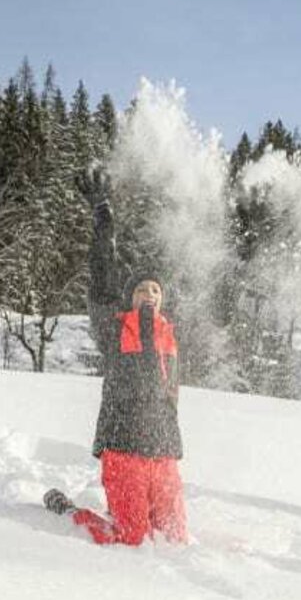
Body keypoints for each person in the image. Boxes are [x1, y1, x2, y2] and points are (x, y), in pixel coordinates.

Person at [44, 166, 187, 546]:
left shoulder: (170, 334)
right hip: (123, 449)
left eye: (155, 290)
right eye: (141, 289)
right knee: (131, 538)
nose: (149, 294)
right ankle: (70, 510)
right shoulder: (115, 327)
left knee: (175, 538)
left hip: (163, 453)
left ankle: (130, 506)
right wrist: (103, 216)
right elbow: (102, 273)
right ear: (130, 298)